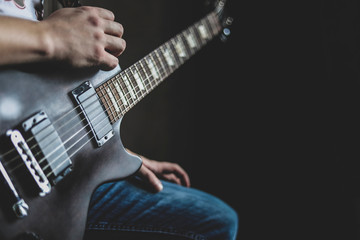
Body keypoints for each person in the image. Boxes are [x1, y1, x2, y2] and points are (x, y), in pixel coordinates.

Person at [0, 0, 238, 239]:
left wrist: (110, 157)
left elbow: (49, 99)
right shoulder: (48, 32)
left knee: (216, 219)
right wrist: (51, 37)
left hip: (56, 167)